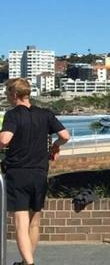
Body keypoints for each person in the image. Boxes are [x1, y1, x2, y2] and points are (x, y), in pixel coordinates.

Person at [0, 78, 70, 265]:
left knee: (20, 223)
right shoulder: (45, 114)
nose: (7, 97)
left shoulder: (13, 115)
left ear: (15, 94)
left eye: (7, 93)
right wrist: (55, 146)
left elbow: (4, 140)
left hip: (18, 173)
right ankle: (26, 262)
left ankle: (29, 264)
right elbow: (65, 136)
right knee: (34, 222)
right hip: (40, 173)